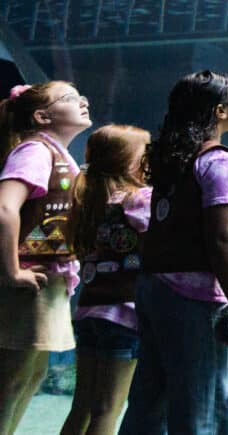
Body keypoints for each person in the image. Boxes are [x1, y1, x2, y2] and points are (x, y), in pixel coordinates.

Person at [119, 70, 228, 434]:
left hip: (154, 287)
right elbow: (221, 238)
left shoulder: (175, 161)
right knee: (202, 403)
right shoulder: (219, 162)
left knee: (150, 398)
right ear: (221, 111)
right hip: (194, 297)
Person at [0, 82, 92, 435]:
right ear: (42, 116)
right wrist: (12, 271)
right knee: (12, 378)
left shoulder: (53, 153)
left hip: (47, 280)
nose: (82, 100)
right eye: (70, 98)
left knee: (29, 375)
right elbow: (6, 207)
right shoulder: (36, 152)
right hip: (27, 282)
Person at [61, 124, 151, 435]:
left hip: (88, 313)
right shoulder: (139, 200)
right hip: (124, 316)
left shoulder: (88, 203)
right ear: (132, 164)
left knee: (82, 406)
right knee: (107, 410)